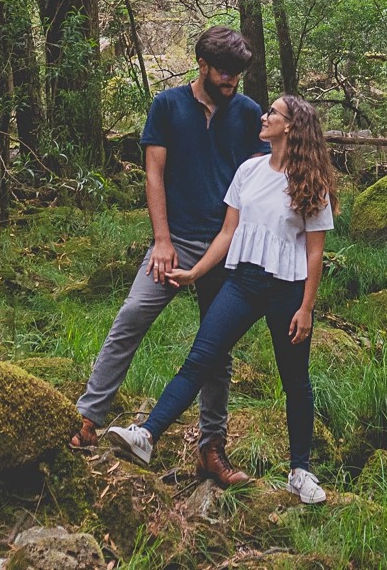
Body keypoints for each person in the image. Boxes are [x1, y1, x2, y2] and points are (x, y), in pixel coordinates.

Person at [104, 94, 338, 506]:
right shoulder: (248, 170)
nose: (263, 117)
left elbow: (315, 252)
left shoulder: (310, 182)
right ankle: (146, 434)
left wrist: (306, 308)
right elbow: (228, 233)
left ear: (290, 127)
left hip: (288, 291)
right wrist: (195, 273)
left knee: (296, 383)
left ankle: (299, 471)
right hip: (243, 282)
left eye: (273, 114)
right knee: (201, 359)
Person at [71, 26, 267, 488]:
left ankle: (211, 449)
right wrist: (162, 240)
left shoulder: (248, 113)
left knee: (216, 347)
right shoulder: (168, 105)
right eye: (224, 72)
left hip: (226, 244)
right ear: (201, 64)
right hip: (174, 239)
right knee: (132, 315)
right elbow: (154, 175)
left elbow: (262, 176)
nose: (231, 82)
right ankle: (89, 418)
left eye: (238, 74)